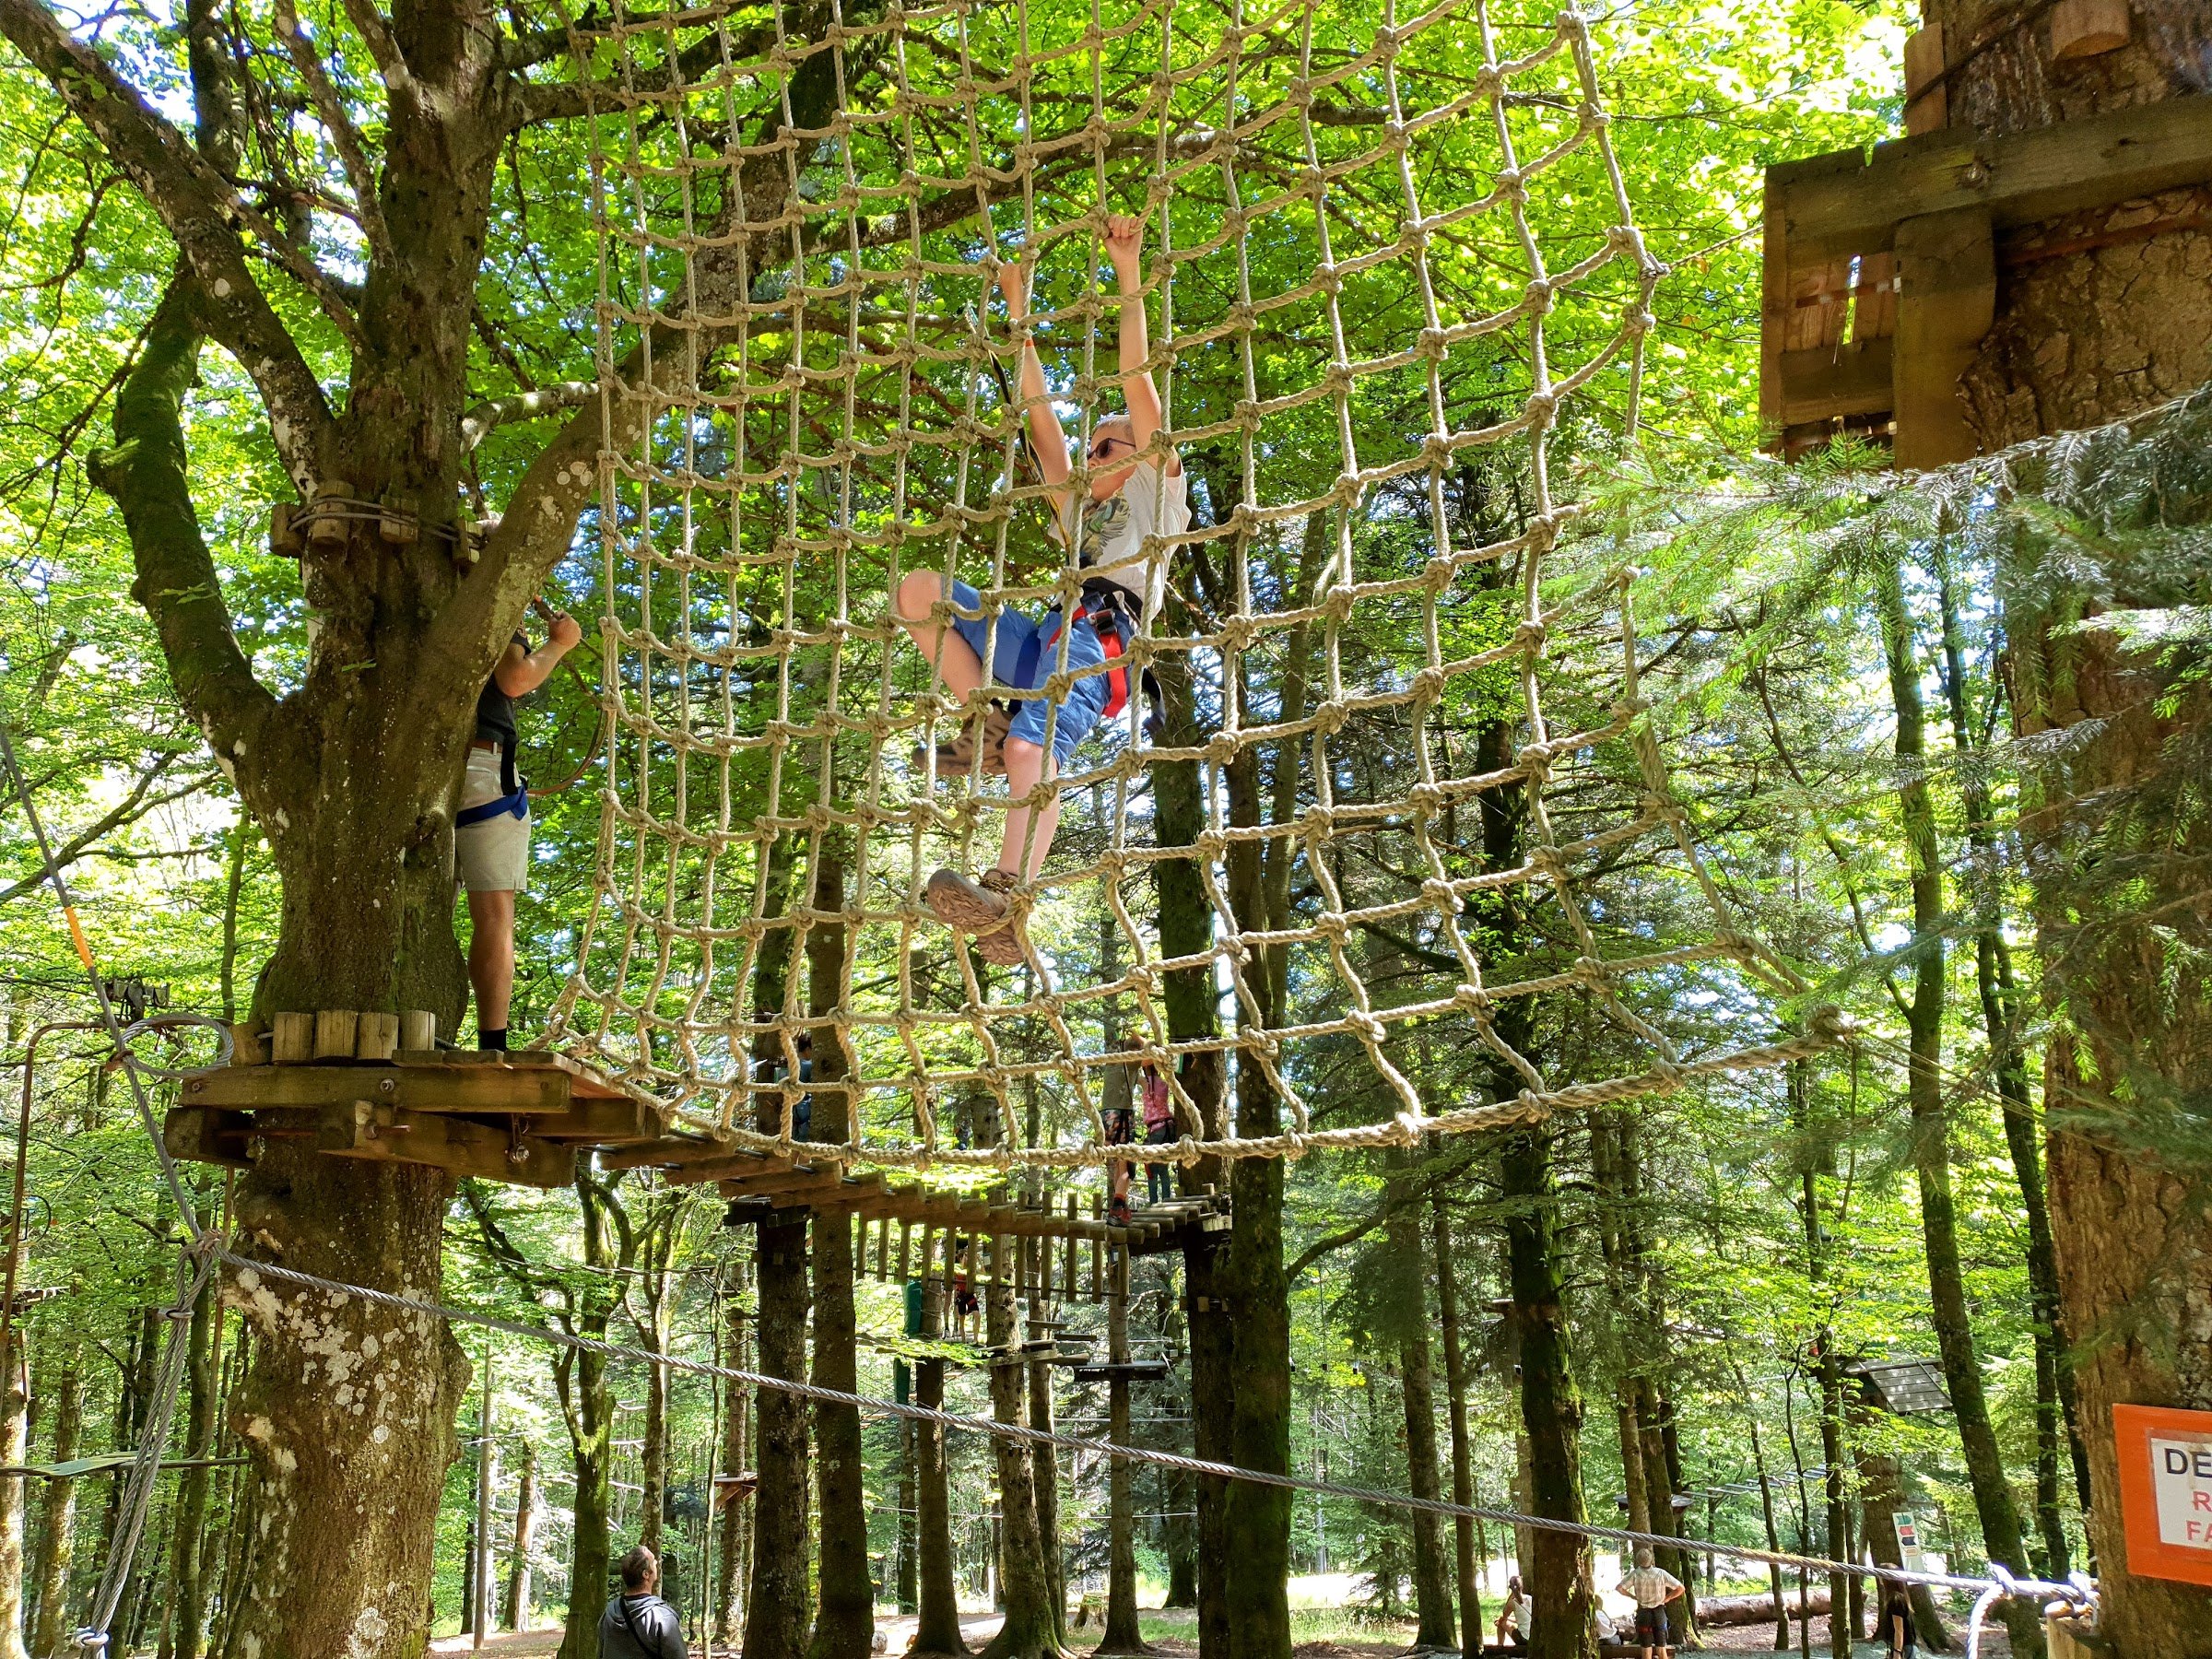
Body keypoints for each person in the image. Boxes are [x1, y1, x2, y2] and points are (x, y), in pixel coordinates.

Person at [891, 212, 1188, 965]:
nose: (1091, 456)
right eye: (1092, 448)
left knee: (1036, 750)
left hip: (1102, 644)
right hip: (1055, 633)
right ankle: (986, 715)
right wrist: (1017, 314)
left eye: (1107, 445)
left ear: (1142, 451)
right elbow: (1042, 428)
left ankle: (1009, 890)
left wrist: (1128, 274)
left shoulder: (1155, 490)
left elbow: (1134, 380)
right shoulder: (1079, 505)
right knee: (919, 592)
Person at [457, 609, 581, 1051]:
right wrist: (560, 644)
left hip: (409, 767)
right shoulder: (494, 601)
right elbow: (515, 679)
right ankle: (492, 1044)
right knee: (495, 915)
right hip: (480, 772)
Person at [597, 1543, 685, 1659]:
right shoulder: (663, 1618)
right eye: (653, 1561)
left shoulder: (608, 1614)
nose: (657, 1563)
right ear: (646, 1574)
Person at [1622, 1545, 1686, 1659]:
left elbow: (1620, 1588)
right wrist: (1668, 1598)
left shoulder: (1635, 1574)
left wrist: (1632, 1596)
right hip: (1659, 1613)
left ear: (1638, 1560)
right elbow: (1680, 1588)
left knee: (1646, 1650)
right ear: (1651, 1559)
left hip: (1643, 1614)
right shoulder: (1661, 1573)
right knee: (1661, 1648)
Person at [1141, 1055, 1174, 1204]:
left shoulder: (1145, 1082)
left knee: (1152, 1170)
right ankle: (1167, 1200)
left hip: (1156, 1129)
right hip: (1168, 1128)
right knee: (1163, 1168)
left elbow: (1132, 1075)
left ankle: (1154, 1203)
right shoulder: (1164, 1083)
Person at [1877, 1584, 1917, 1659]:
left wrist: (1897, 1652)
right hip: (1903, 1646)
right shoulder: (1899, 1597)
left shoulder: (1896, 1600)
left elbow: (1899, 1629)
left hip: (1904, 1648)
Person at [1495, 1573, 1528, 1649]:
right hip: (1532, 1638)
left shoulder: (1512, 1602)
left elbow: (1505, 1615)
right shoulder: (1530, 1598)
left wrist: (1512, 1595)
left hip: (1522, 1640)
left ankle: (1500, 1647)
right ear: (1522, 1586)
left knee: (1501, 1622)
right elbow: (1523, 1620)